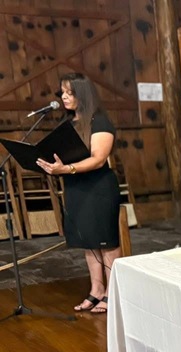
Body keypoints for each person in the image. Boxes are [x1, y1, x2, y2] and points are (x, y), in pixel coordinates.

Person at [36, 73, 119, 314]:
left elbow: (98, 159)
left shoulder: (100, 121)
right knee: (88, 242)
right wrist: (51, 165)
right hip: (76, 187)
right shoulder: (69, 124)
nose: (63, 97)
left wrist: (67, 168)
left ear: (82, 94)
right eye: (62, 92)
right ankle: (96, 291)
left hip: (99, 188)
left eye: (69, 93)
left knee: (106, 242)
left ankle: (114, 293)